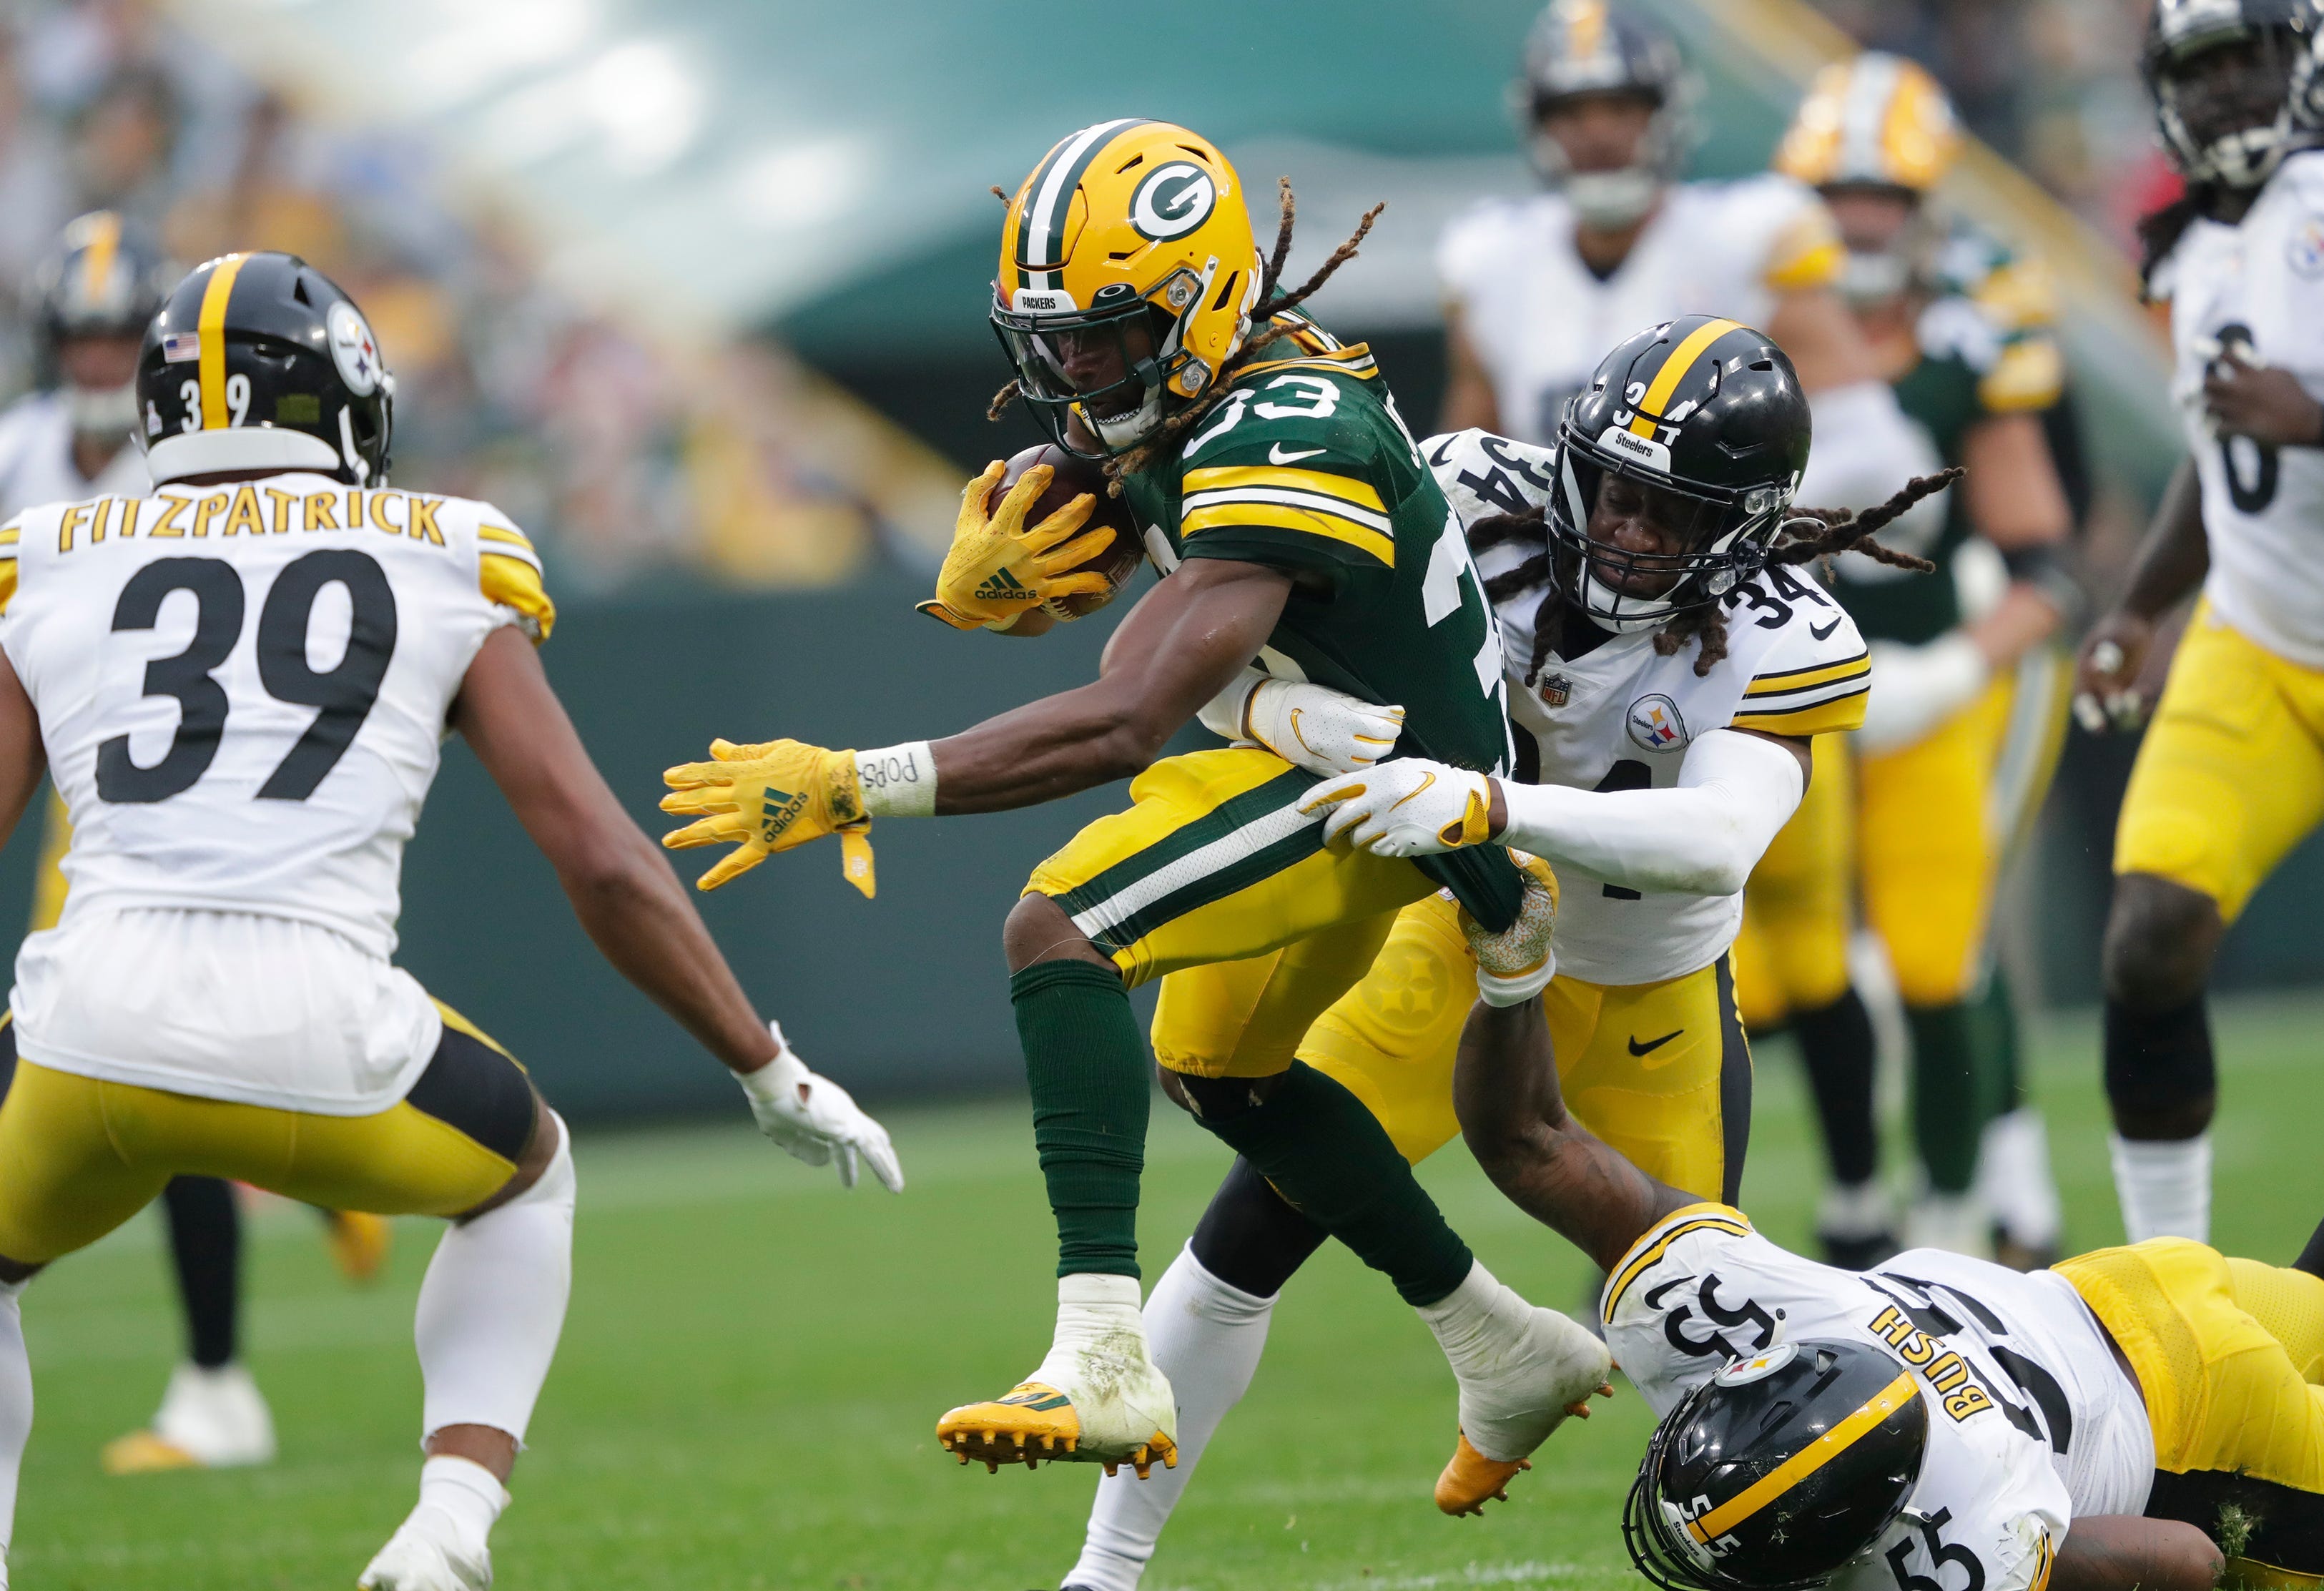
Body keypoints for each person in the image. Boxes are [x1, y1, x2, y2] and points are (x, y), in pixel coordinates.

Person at [659, 118, 1610, 1488]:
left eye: (1102, 336)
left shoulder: (1292, 425)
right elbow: (1129, 625)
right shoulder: (1195, 401)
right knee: (1217, 1071)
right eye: (1050, 338)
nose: (1073, 368)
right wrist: (1011, 588)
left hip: (1405, 797)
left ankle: (1102, 1350)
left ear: (1202, 302)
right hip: (1327, 754)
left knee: (1061, 925)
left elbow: (1124, 715)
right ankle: (1497, 1339)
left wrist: (860, 784)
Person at [0, 250, 902, 1591]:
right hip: (322, 1028)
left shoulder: (48, 557)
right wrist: (766, 1068)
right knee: (529, 1174)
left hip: (80, 1033)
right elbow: (598, 861)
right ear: (342, 403)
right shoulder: (443, 552)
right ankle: (448, 1529)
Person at [1058, 316, 1952, 1591]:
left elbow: (1717, 839)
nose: (1632, 531)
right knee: (1249, 1232)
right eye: (1617, 491)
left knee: (1720, 1354)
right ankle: (1102, 1574)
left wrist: (1493, 804)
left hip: (1654, 1001)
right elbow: (1218, 652)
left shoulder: (1787, 633)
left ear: (1746, 527)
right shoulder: (1467, 490)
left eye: (1674, 512)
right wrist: (1270, 706)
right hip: (1464, 944)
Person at [1452, 899, 2324, 1591]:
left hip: (2212, 1430)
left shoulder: (1954, 1536)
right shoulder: (1731, 1311)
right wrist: (1510, 954)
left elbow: (2186, 1557)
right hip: (2134, 1289)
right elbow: (1526, 1136)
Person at [0, 207, 395, 1477]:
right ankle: (321, 1179)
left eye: (125, 334)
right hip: (69, 785)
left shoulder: (179, 464)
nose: (104, 356)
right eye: (86, 332)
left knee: (141, 1054)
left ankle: (218, 1381)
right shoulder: (21, 456)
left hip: (170, 800)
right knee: (143, 1064)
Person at [1735, 54, 2082, 1266]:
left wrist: (1955, 671)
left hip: (1934, 673)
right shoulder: (1751, 319)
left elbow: (2045, 562)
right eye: (1839, 199)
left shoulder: (1970, 327)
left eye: (1884, 197)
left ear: (1928, 205)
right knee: (1762, 975)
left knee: (1940, 958)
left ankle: (1948, 1241)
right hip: (1786, 682)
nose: (1862, 223)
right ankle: (1765, 1222)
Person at [2077, 0, 2324, 1245]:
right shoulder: (2191, 246)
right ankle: (2168, 1278)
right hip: (2264, 639)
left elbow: (2284, 420)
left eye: (2249, 58)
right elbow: (2219, 453)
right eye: (2201, 67)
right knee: (2151, 936)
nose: (2227, 89)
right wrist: (2137, 606)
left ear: (2303, 58)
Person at [1436, 0, 1936, 526]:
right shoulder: (1492, 261)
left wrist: (1715, 517)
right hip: (1556, 578)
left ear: (1667, 113)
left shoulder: (1747, 240)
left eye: (1621, 107)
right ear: (1538, 123)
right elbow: (1471, 465)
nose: (1598, 133)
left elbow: (1876, 456)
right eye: (1572, 111)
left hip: (1713, 582)